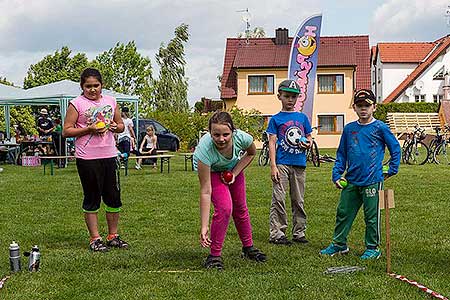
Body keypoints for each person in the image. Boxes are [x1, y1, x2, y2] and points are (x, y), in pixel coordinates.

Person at [320, 89, 401, 260]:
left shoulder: (380, 127)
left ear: (374, 107)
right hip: (351, 180)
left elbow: (395, 148)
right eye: (360, 106)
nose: (363, 109)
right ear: (354, 108)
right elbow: (342, 154)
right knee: (343, 212)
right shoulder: (350, 129)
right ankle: (339, 244)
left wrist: (391, 169)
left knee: (371, 216)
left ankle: (373, 247)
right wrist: (337, 175)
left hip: (372, 180)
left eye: (367, 105)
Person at [62, 67, 128, 252]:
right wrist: (88, 129)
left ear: (102, 85)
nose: (92, 90)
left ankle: (113, 236)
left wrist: (116, 126)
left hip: (109, 154)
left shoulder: (111, 101)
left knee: (113, 197)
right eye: (88, 86)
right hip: (87, 157)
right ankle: (95, 238)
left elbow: (121, 126)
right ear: (82, 87)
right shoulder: (76, 104)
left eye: (96, 86)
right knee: (92, 197)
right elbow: (66, 130)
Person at [194, 111, 266, 270]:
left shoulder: (243, 138)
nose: (221, 139)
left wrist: (234, 173)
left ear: (233, 131)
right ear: (210, 133)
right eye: (216, 135)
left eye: (226, 134)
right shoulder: (204, 151)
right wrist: (204, 226)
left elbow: (251, 153)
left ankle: (248, 248)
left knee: (240, 207)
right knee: (225, 208)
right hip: (212, 171)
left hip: (232, 168)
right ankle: (214, 256)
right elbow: (205, 191)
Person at [266, 79, 312, 245]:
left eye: (294, 96)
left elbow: (308, 137)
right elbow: (272, 142)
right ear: (280, 96)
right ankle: (277, 233)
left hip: (299, 164)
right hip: (282, 164)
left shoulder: (302, 118)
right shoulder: (275, 119)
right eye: (287, 96)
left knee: (298, 199)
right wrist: (273, 166)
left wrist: (308, 143)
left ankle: (299, 232)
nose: (290, 100)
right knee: (279, 197)